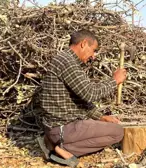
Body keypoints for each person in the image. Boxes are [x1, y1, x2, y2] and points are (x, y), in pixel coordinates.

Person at [35, 29, 127, 167]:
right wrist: (114, 81)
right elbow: (90, 93)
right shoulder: (67, 61)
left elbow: (80, 100)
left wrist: (101, 117)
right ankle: (58, 149)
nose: (93, 56)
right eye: (93, 50)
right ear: (84, 44)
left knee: (110, 126)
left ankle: (54, 142)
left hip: (58, 127)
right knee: (117, 132)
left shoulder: (67, 60)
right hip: (62, 128)